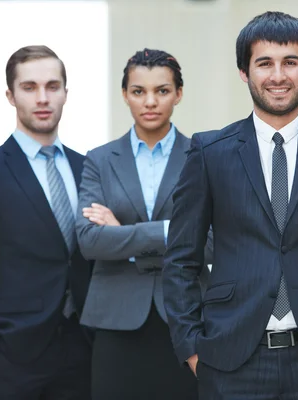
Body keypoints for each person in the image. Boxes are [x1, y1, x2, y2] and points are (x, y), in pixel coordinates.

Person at [162, 11, 298, 399]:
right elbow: (181, 258)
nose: (278, 76)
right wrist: (193, 348)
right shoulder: (209, 152)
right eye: (264, 63)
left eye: (291, 62)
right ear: (244, 72)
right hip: (230, 361)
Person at [0, 45, 92, 399]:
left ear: (65, 93)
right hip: (11, 360)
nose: (42, 98)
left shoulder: (87, 167)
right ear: (11, 96)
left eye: (52, 86)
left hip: (83, 354)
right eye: (29, 88)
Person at [76, 48, 210, 399]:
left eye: (162, 91)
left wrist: (121, 234)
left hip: (187, 318)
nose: (150, 101)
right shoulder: (100, 161)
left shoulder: (204, 157)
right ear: (125, 95)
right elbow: (90, 241)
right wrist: (173, 231)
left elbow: (214, 241)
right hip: (115, 321)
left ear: (178, 94)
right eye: (138, 91)